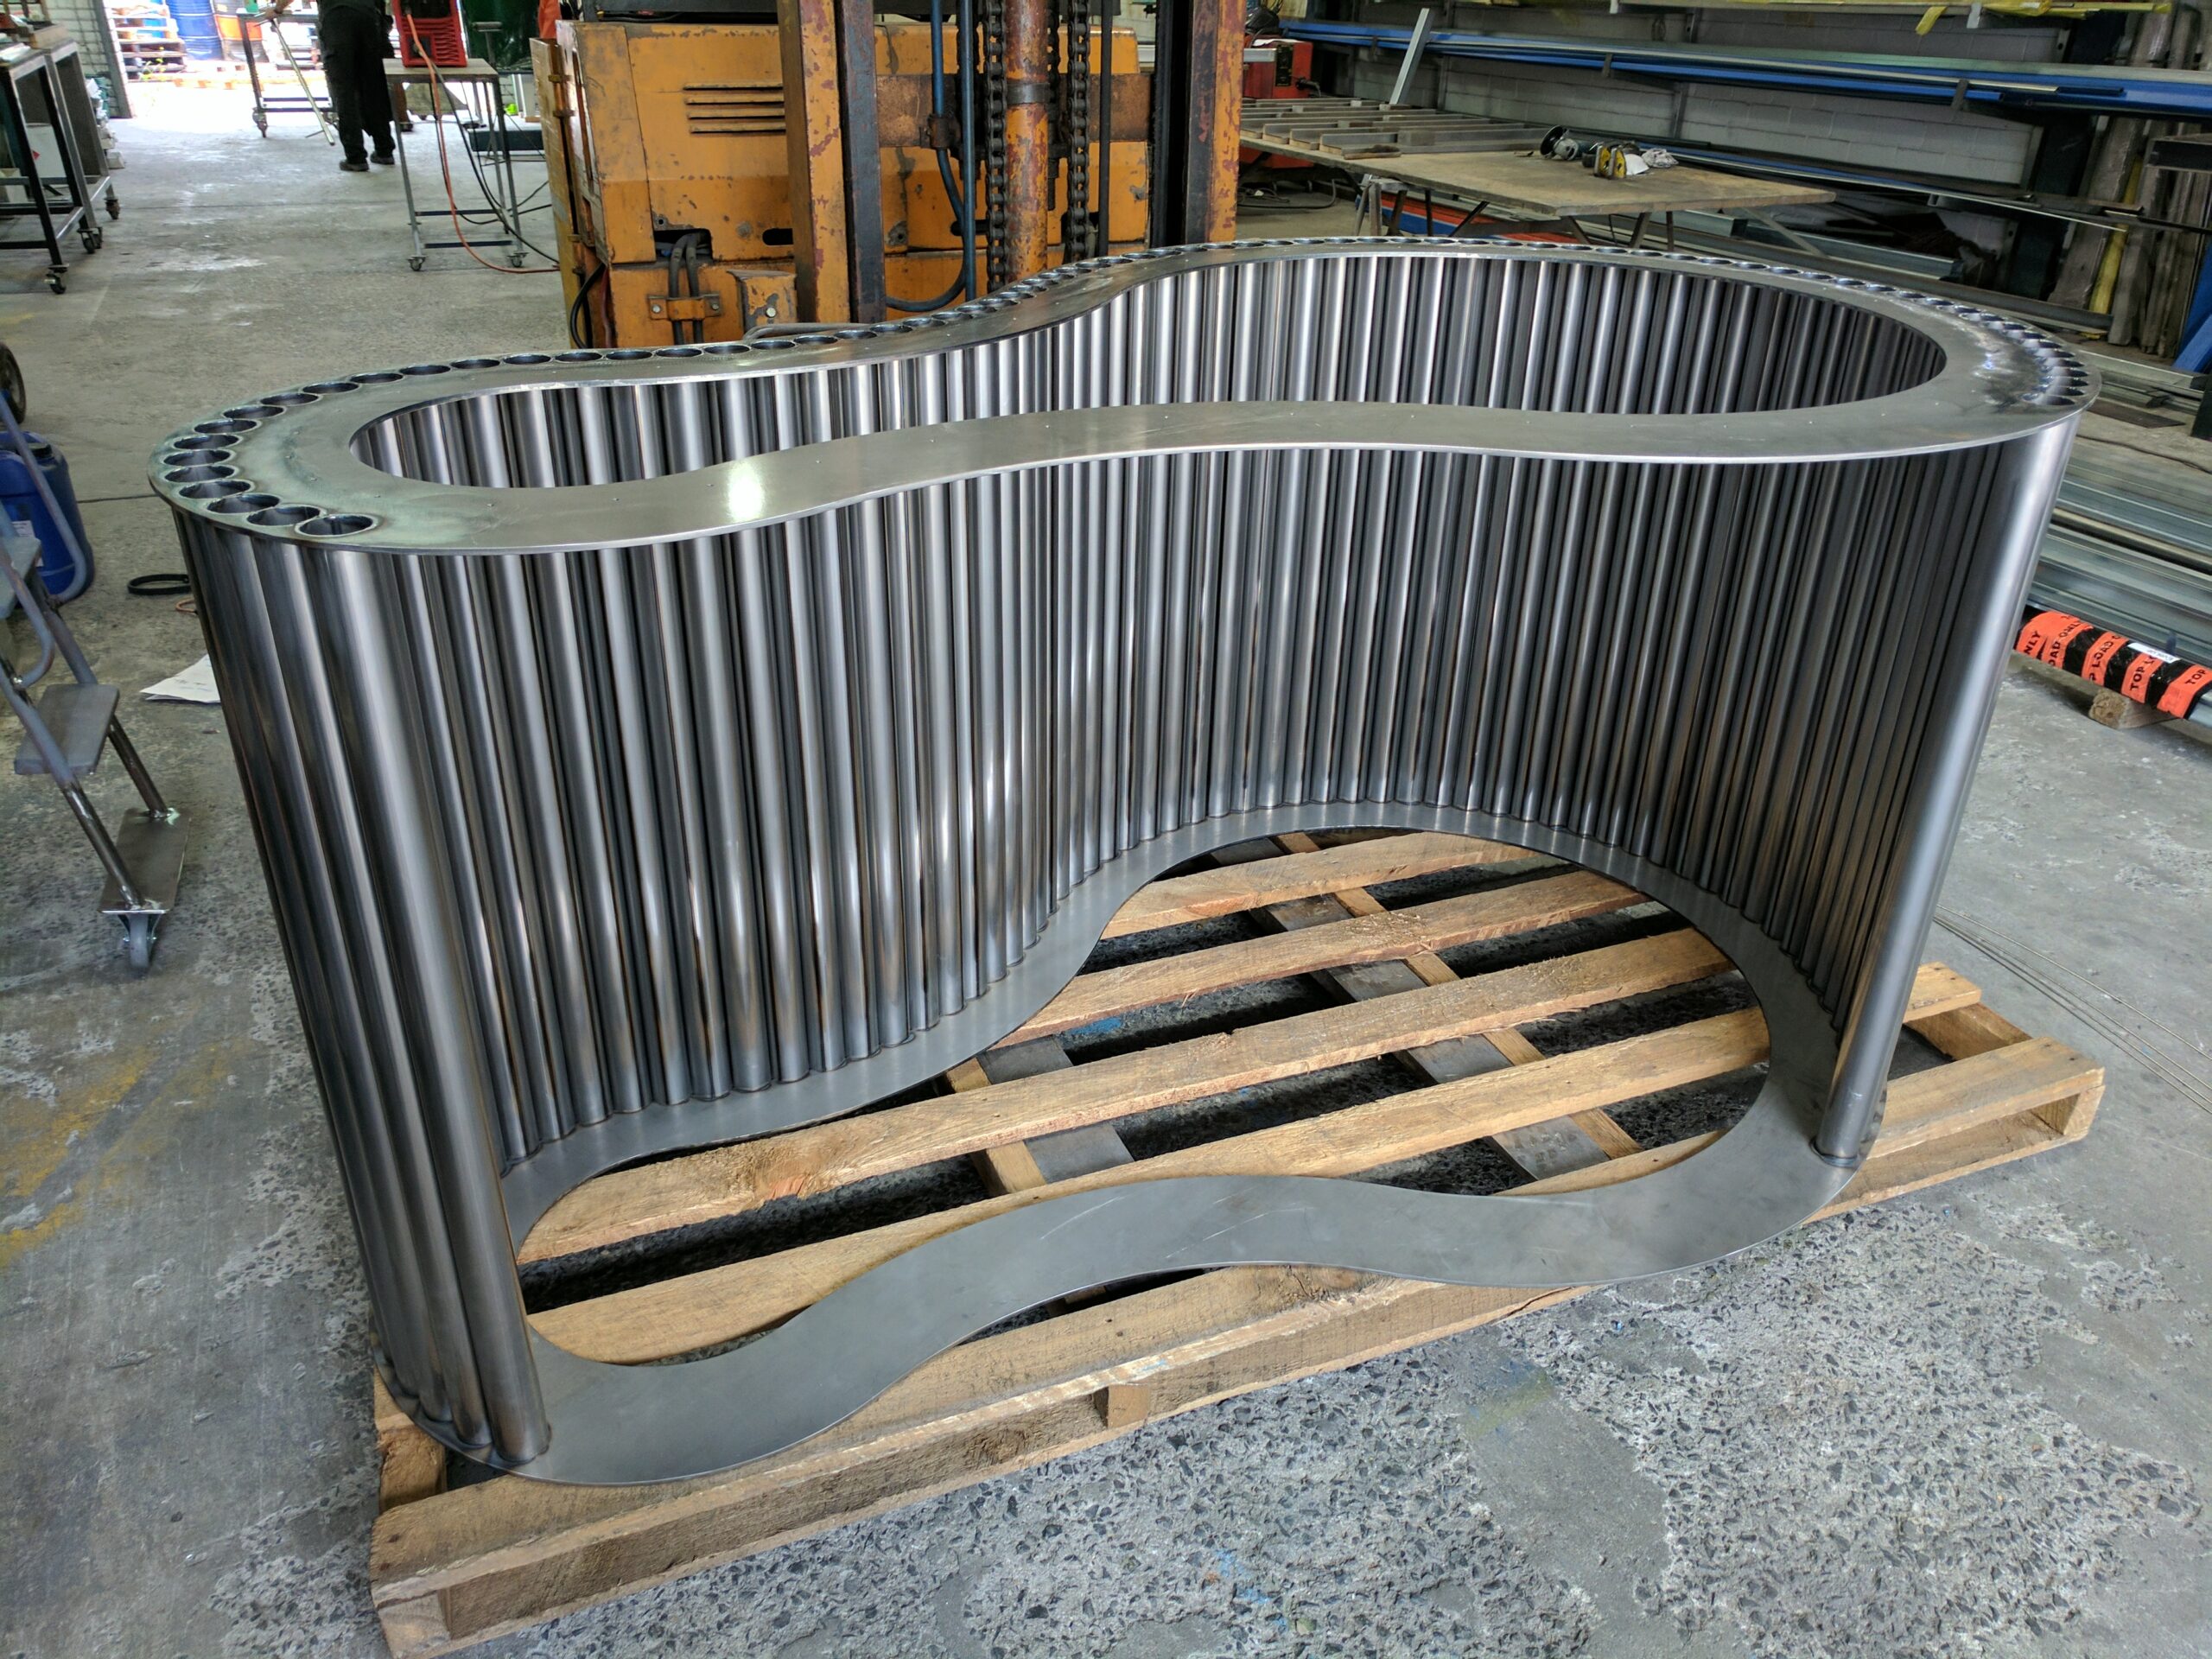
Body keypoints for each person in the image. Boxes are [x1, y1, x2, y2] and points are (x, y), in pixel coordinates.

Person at [317, 0, 394, 172]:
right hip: (368, 16)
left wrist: (277, 9)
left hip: (338, 18)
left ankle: (356, 157)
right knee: (374, 86)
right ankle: (384, 150)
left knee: (345, 90)